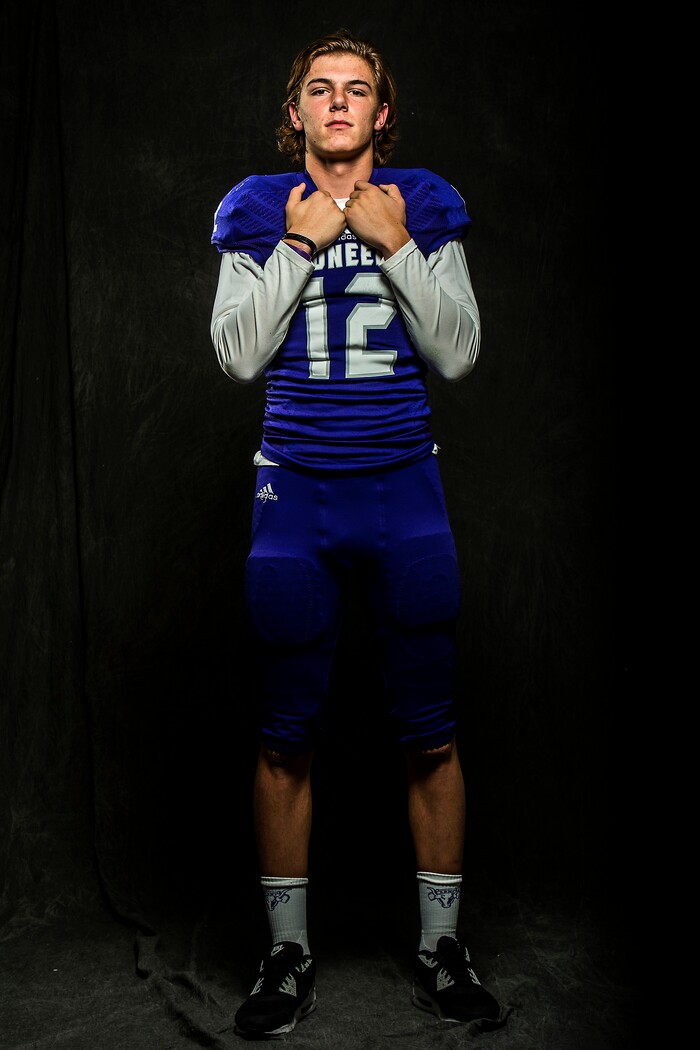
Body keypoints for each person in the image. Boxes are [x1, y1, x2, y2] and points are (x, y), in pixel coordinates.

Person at [210, 27, 504, 1039]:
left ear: (383, 112)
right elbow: (237, 357)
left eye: (357, 88)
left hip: (402, 491)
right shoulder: (260, 209)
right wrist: (299, 245)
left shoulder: (420, 202)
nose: (338, 102)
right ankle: (287, 952)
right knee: (284, 736)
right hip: (294, 496)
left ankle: (441, 945)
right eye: (320, 88)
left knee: (432, 730)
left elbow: (458, 354)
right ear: (293, 111)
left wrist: (396, 244)